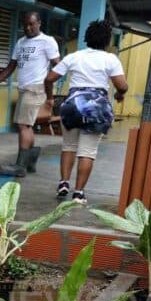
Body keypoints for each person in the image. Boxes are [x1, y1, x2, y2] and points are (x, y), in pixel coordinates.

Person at [44, 20, 127, 205]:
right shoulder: (110, 59)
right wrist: (120, 94)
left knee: (68, 147)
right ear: (107, 41)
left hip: (72, 105)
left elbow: (49, 78)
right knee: (87, 152)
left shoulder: (74, 57)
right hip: (96, 109)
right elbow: (122, 85)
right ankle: (79, 193)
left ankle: (64, 183)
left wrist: (49, 97)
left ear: (87, 38)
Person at [0, 12, 60, 175]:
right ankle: (30, 160)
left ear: (39, 23)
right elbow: (10, 67)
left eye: (31, 24)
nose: (28, 28)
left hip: (36, 89)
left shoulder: (47, 41)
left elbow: (58, 65)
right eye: (25, 25)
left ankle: (20, 166)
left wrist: (49, 88)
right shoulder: (21, 42)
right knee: (27, 126)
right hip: (23, 90)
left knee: (24, 126)